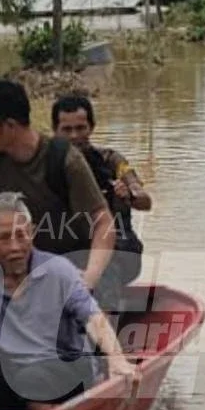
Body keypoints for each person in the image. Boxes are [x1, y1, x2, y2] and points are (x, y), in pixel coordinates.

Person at [0, 192, 139, 410]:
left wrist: (116, 359)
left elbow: (93, 317)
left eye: (21, 235)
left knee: (29, 380)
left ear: (32, 233)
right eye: (4, 238)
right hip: (17, 370)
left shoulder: (58, 271)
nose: (15, 246)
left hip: (68, 366)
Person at [0, 79, 117, 302]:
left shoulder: (64, 161)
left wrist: (88, 280)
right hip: (20, 278)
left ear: (9, 126)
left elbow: (103, 223)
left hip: (72, 272)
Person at [52, 94, 153, 313]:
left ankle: (106, 337)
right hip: (69, 251)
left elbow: (145, 200)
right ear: (55, 131)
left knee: (104, 265)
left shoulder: (111, 160)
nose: (74, 136)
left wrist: (130, 195)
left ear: (92, 127)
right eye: (66, 130)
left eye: (81, 128)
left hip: (119, 253)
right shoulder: (45, 167)